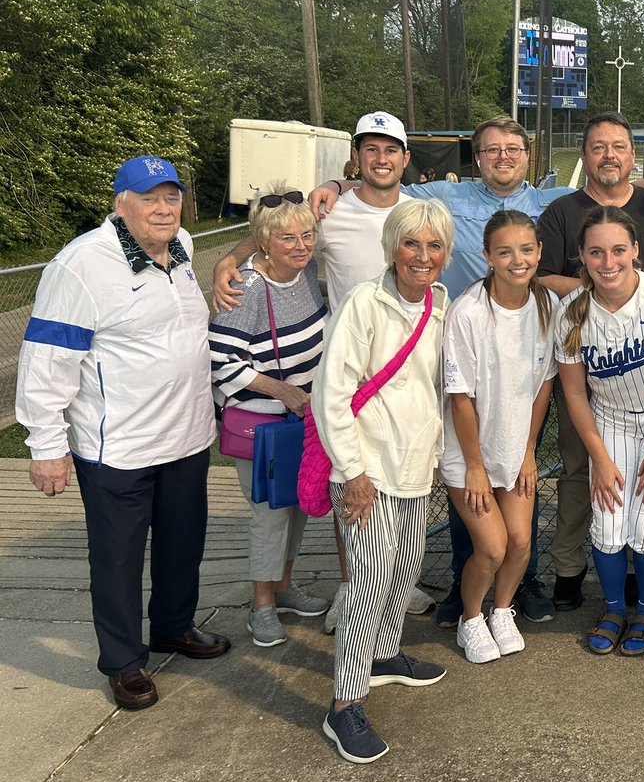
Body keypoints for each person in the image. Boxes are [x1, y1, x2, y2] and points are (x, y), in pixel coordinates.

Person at [306, 116, 586, 627]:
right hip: (461, 348)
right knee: (469, 474)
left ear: (529, 155)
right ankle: (465, 587)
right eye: (492, 149)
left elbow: (603, 200)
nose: (503, 157)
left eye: (514, 149)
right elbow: (383, 178)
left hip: (520, 355)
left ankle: (522, 584)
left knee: (517, 470)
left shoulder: (550, 203)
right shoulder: (445, 197)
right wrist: (335, 183)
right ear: (476, 156)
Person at [16, 156, 230, 711]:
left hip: (185, 437)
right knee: (117, 559)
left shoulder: (180, 245)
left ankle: (173, 627)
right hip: (119, 448)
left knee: (183, 545)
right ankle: (123, 662)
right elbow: (46, 362)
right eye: (148, 198)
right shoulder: (82, 266)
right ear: (120, 204)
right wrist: (47, 446)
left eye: (171, 196)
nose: (163, 208)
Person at [213, 111, 438, 630]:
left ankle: (395, 584)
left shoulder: (422, 209)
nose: (381, 160)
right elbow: (274, 231)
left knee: (403, 477)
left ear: (406, 158)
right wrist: (231, 259)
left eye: (391, 150)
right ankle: (350, 587)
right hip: (348, 374)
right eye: (371, 150)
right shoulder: (328, 211)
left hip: (408, 370)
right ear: (356, 156)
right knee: (350, 483)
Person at [315, 199, 453, 764]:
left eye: (434, 246)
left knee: (404, 569)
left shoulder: (439, 303)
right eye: (411, 244)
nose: (422, 257)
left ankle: (385, 654)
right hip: (367, 469)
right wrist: (351, 472)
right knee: (366, 586)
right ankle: (344, 703)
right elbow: (332, 393)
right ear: (391, 247)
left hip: (415, 466)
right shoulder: (362, 305)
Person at [537, 111, 644, 611]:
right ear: (583, 155)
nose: (608, 155)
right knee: (582, 469)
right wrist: (600, 294)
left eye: (618, 146)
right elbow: (544, 275)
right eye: (598, 146)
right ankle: (570, 568)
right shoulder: (562, 211)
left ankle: (641, 569)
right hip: (588, 359)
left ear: (633, 155)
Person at [555, 205, 644, 656]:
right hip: (612, 421)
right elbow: (576, 395)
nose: (608, 262)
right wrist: (599, 459)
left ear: (636, 250)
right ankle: (615, 609)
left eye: (618, 250)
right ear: (582, 255)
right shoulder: (571, 312)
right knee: (608, 524)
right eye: (596, 252)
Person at [208, 188, 330, 647]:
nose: (300, 246)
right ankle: (260, 605)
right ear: (263, 242)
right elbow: (224, 364)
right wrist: (286, 392)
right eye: (287, 238)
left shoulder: (305, 272)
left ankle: (283, 587)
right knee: (269, 514)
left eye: (307, 235)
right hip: (264, 424)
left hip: (302, 418)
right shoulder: (245, 287)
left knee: (297, 506)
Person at [441, 211, 558, 662]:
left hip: (516, 449)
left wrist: (528, 451)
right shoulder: (467, 313)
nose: (517, 260)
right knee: (490, 548)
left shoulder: (548, 306)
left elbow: (543, 384)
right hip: (470, 453)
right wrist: (474, 466)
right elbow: (460, 396)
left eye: (526, 250)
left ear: (539, 252)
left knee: (522, 542)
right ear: (488, 256)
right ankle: (470, 618)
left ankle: (502, 610)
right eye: (505, 252)